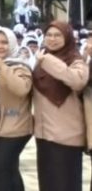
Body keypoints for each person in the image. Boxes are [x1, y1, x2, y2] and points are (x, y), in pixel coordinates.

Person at [32, 21, 87, 191]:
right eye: (49, 35)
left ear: (68, 37)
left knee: (66, 184)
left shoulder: (75, 60)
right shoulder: (40, 60)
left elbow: (77, 81)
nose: (52, 39)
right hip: (44, 134)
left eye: (58, 35)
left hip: (67, 136)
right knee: (48, 183)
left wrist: (47, 60)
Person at [0, 26, 33, 191]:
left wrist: (3, 67)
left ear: (12, 43)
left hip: (16, 126)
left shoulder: (20, 65)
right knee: (9, 170)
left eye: (4, 42)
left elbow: (21, 89)